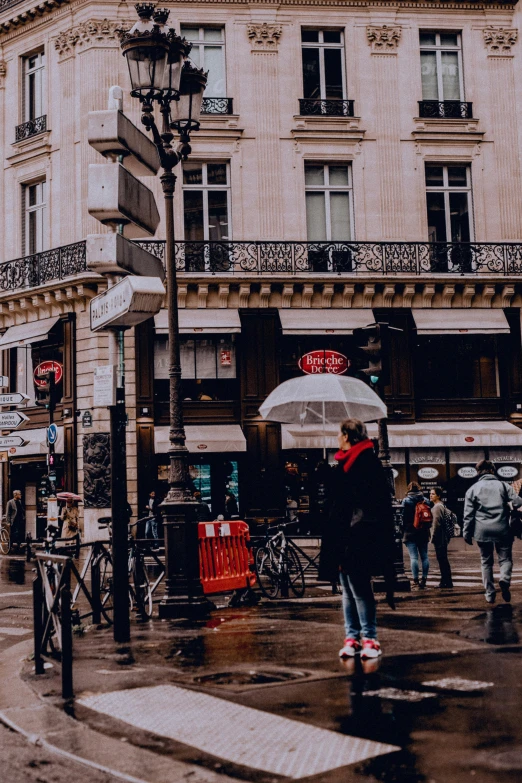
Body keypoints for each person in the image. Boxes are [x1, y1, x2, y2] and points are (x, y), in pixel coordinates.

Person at [319, 418, 396, 660]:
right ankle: (352, 638)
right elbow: (337, 500)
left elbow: (372, 501)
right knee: (348, 591)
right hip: (343, 536)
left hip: (359, 535)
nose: (336, 439)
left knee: (360, 589)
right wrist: (326, 476)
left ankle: (370, 639)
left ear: (347, 436)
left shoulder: (366, 462)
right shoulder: (344, 463)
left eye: (339, 434)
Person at [463, 459, 522, 604]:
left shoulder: (472, 489)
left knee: (486, 562)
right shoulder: (503, 486)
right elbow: (518, 502)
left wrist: (466, 533)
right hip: (503, 529)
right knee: (505, 559)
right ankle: (504, 579)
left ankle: (490, 593)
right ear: (492, 470)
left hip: (482, 531)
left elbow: (468, 515)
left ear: (478, 472)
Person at [402, 482, 431, 590]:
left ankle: (415, 581)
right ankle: (424, 579)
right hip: (423, 531)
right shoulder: (425, 500)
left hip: (410, 531)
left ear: (409, 489)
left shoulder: (406, 500)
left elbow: (403, 516)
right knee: (424, 556)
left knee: (413, 557)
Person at [429, 487, 453, 589]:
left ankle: (445, 582)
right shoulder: (441, 505)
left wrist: (432, 537)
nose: (430, 495)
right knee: (443, 559)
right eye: (430, 493)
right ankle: (447, 581)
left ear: (438, 496)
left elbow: (436, 524)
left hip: (440, 537)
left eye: (433, 494)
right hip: (443, 536)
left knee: (442, 559)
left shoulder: (437, 507)